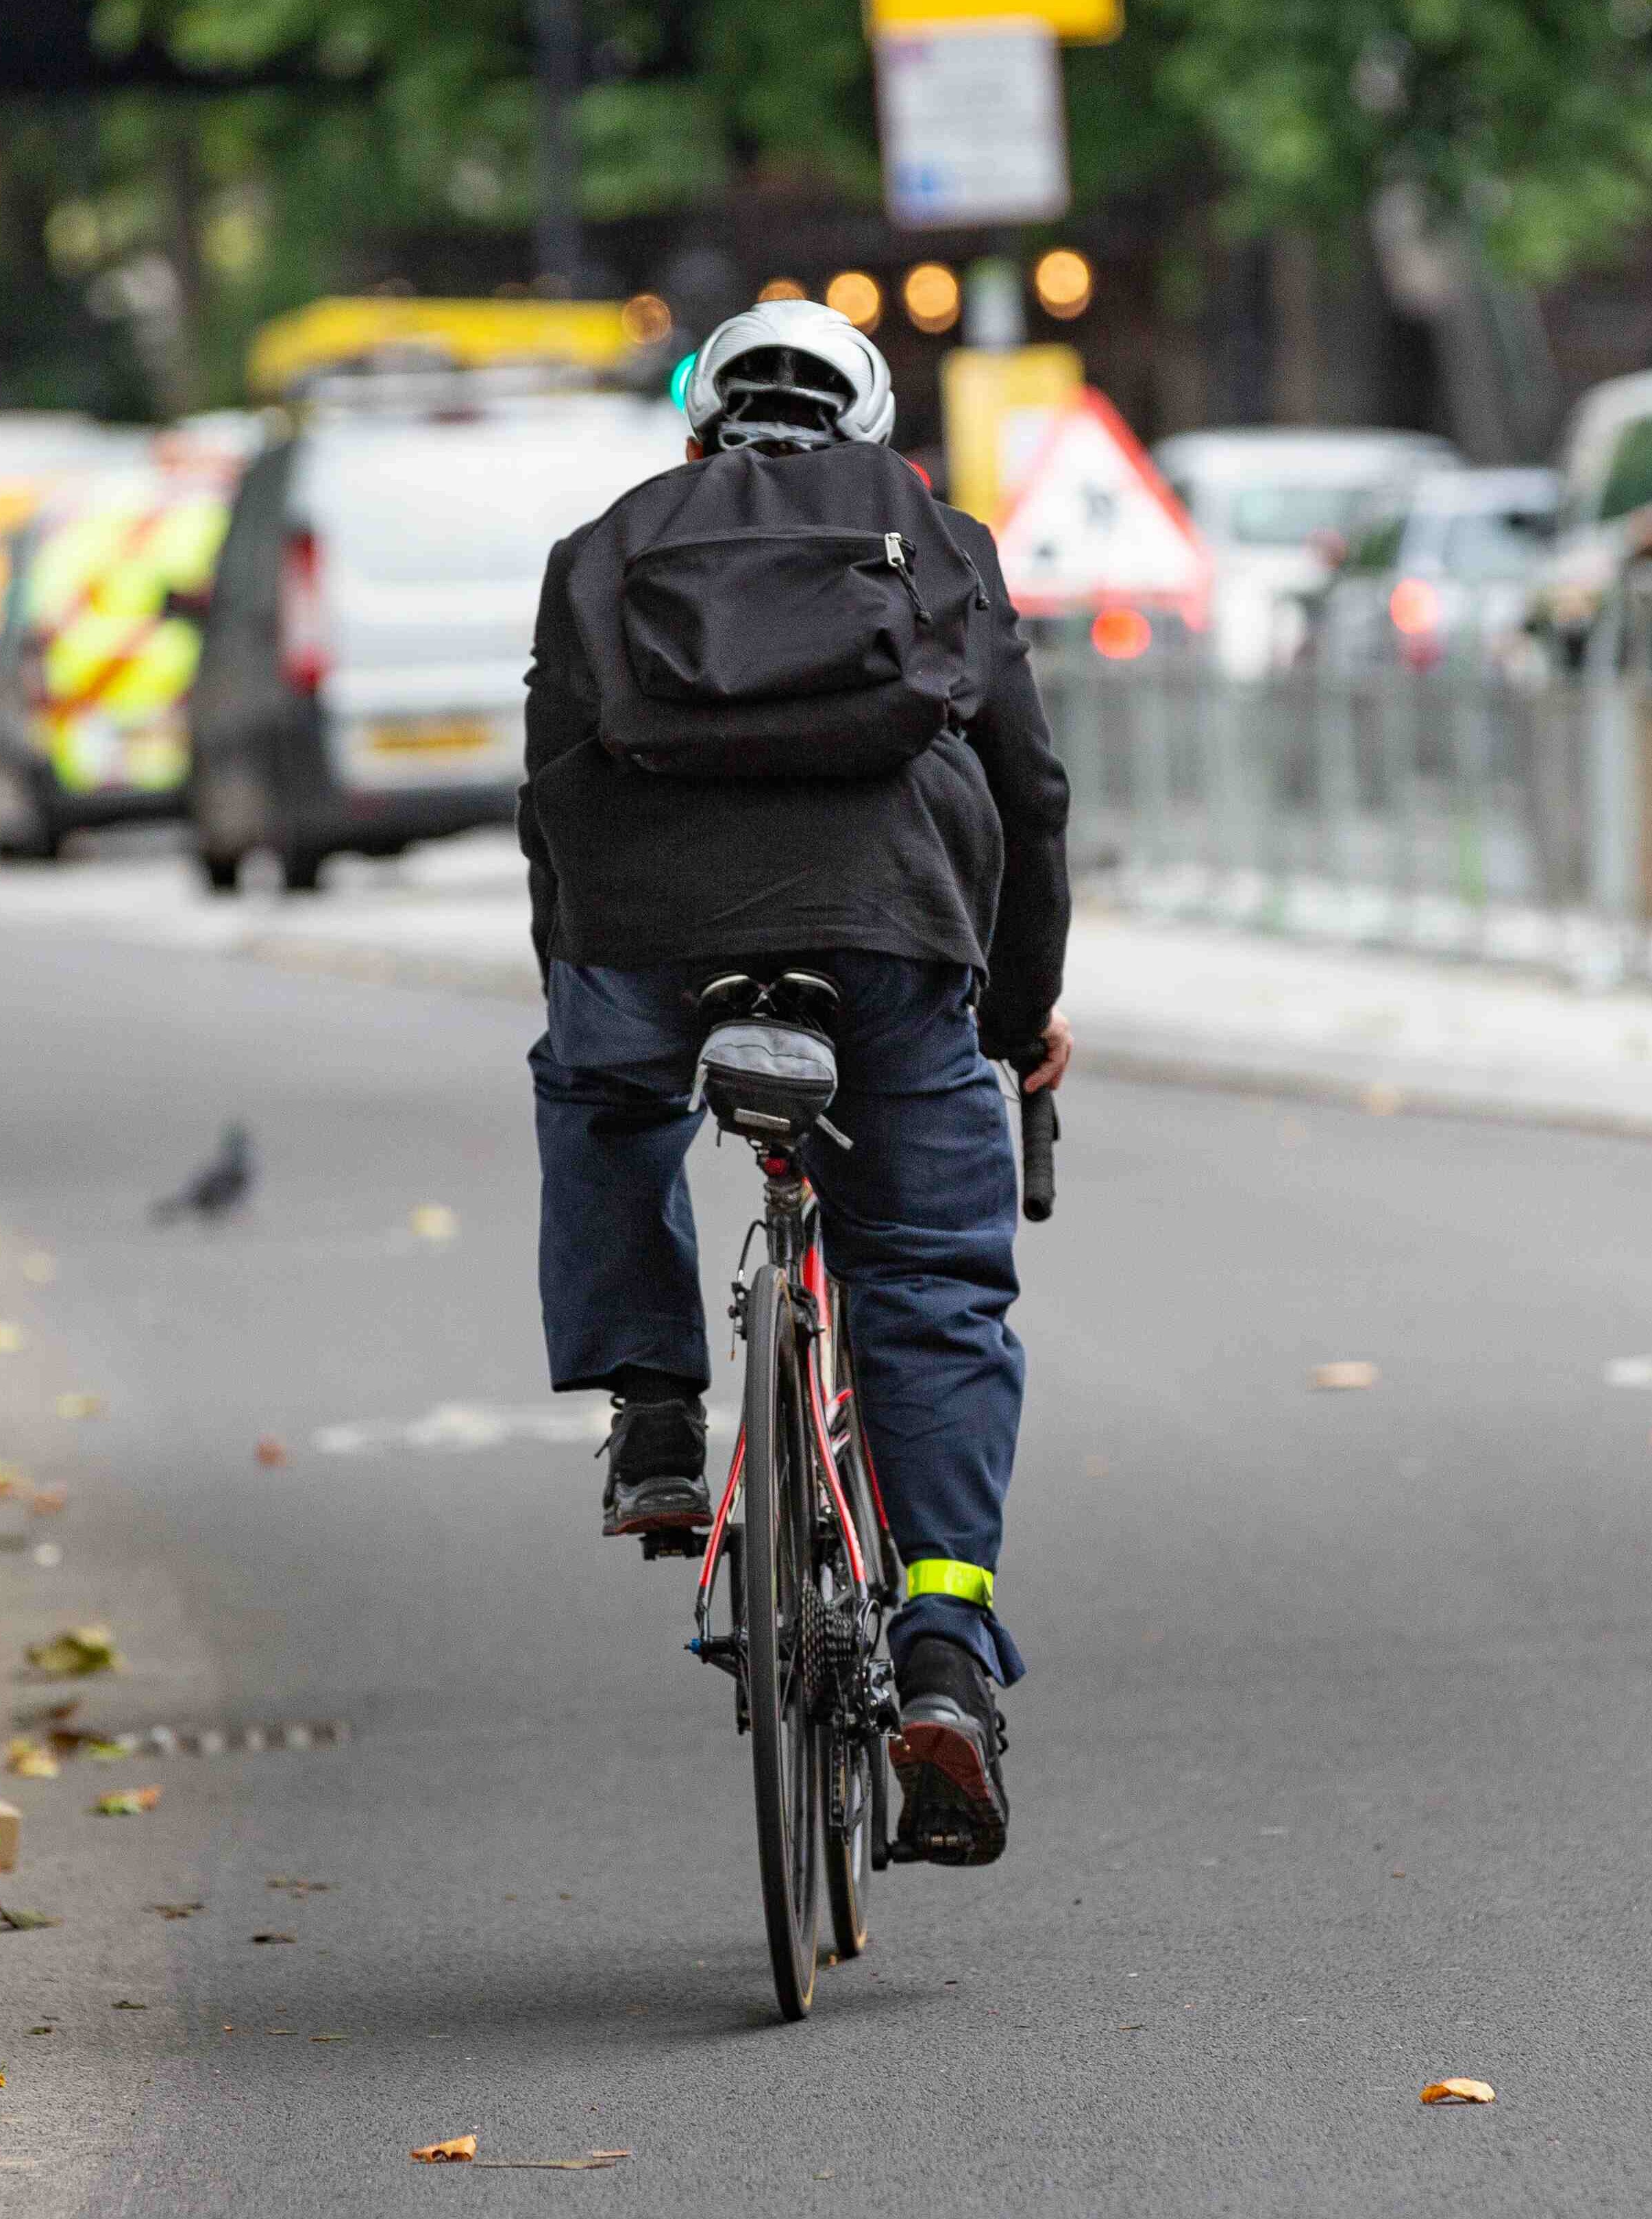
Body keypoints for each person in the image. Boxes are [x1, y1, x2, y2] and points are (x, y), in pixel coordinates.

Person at [521, 299, 1071, 1867]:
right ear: (872, 427)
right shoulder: (933, 537)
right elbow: (1025, 793)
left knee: (603, 1101)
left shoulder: (604, 546)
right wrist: (1016, 1016)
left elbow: (547, 796)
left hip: (646, 938)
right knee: (932, 1275)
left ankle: (649, 1412)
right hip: (890, 935)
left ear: (695, 428)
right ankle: (947, 1647)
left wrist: (580, 977)